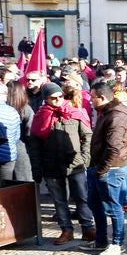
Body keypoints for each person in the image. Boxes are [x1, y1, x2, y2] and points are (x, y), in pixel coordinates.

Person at [32, 82, 95, 245]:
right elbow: (35, 145)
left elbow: (87, 135)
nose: (58, 100)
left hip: (75, 164)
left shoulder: (74, 112)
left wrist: (85, 157)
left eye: (60, 96)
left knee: (82, 197)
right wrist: (37, 168)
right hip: (51, 164)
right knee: (59, 200)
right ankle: (66, 230)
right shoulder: (41, 116)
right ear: (46, 99)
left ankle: (88, 228)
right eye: (53, 98)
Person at [83, 81, 127, 255]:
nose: (90, 100)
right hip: (99, 167)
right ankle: (101, 240)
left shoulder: (116, 116)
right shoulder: (106, 112)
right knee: (95, 204)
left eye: (92, 97)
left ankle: (117, 243)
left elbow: (114, 148)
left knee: (113, 207)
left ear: (102, 97)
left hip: (111, 169)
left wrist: (102, 170)